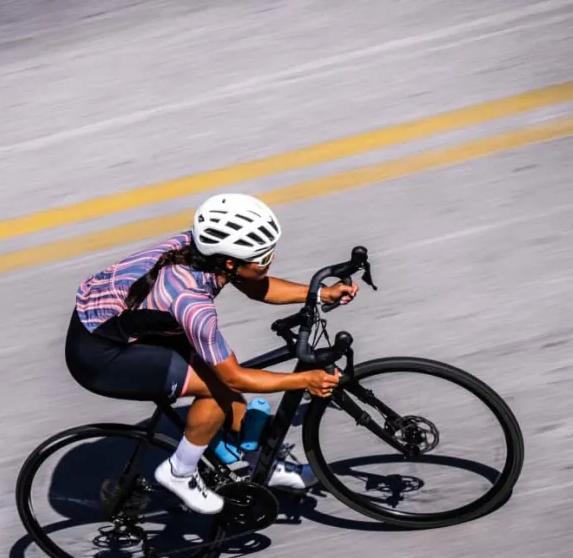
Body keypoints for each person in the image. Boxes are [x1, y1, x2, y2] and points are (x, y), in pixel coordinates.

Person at [65, 193, 359, 514]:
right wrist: (305, 380)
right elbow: (235, 377)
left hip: (122, 322)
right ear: (230, 263)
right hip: (101, 357)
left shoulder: (204, 252)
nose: (271, 259)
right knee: (220, 388)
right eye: (263, 257)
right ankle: (179, 472)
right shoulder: (192, 304)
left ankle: (256, 463)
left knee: (228, 388)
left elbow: (255, 285)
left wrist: (320, 294)